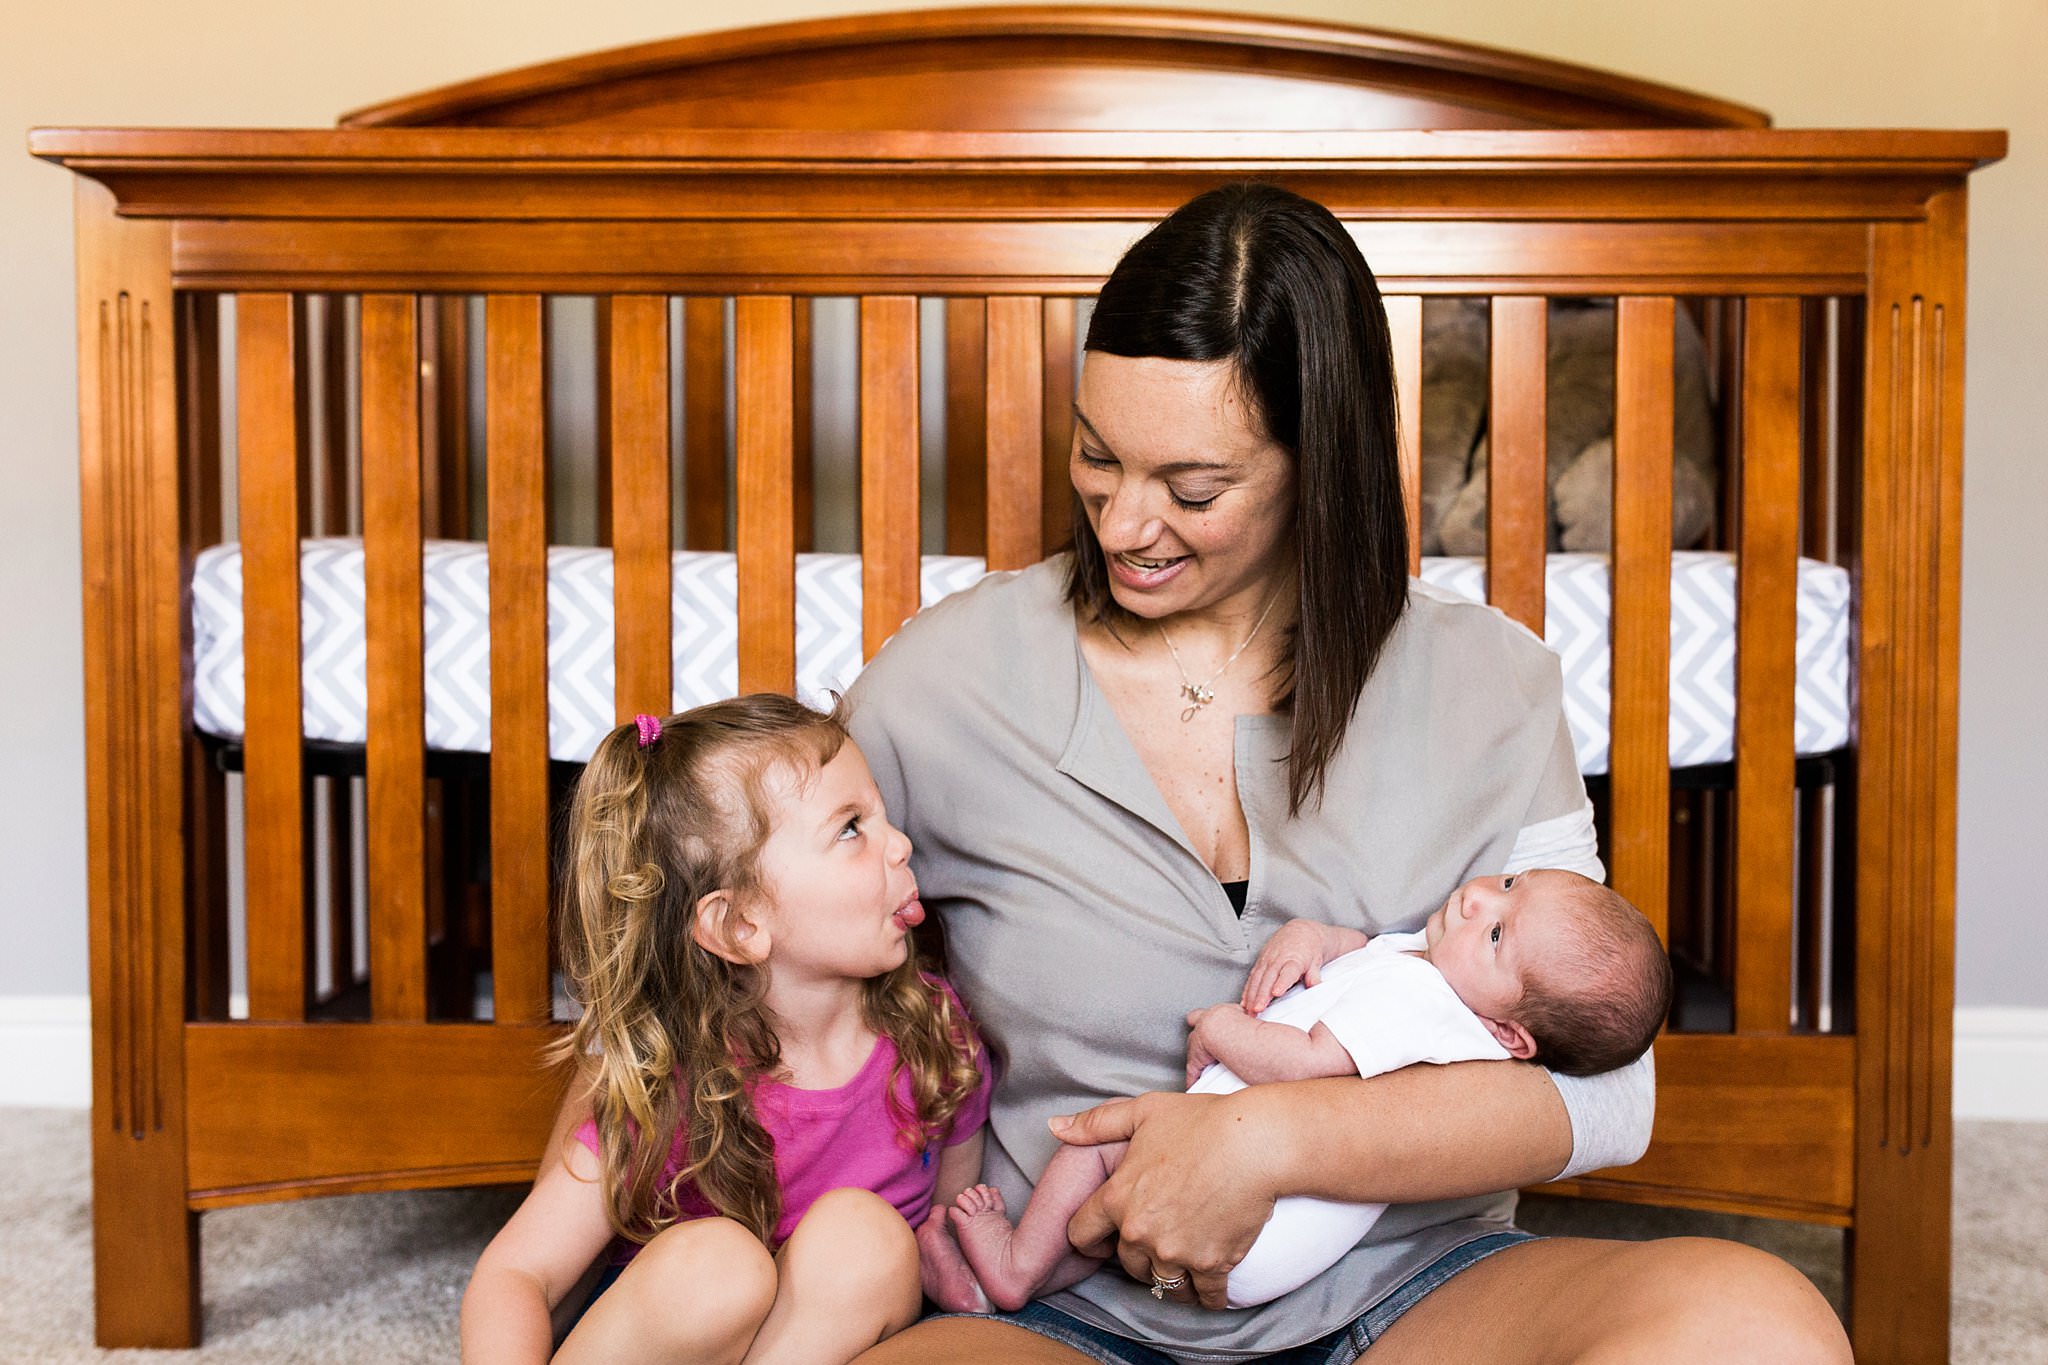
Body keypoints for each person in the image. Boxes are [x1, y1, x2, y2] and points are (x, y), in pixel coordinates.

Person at [843, 183, 1850, 1362]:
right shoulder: (945, 683)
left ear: (1319, 459)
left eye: (1193, 488)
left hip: (1416, 1290)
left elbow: (1608, 1096)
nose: (1122, 525)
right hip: (1068, 1312)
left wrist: (1272, 1144)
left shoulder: (1486, 682)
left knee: (1753, 1328)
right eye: (1096, 458)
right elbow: (775, 968)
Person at [459, 697, 991, 1365]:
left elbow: (947, 1236)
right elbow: (516, 1274)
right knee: (718, 1266)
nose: (901, 843)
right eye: (851, 828)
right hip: (667, 1337)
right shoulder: (672, 1078)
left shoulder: (935, 1033)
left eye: (880, 811)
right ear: (740, 925)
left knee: (871, 1240)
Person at [931, 870, 1672, 1313]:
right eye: (1512, 883)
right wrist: (1316, 938)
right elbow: (1370, 955)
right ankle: (1052, 1271)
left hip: (1254, 1225)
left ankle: (1016, 1262)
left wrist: (1221, 1027)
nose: (1480, 899)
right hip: (1259, 1241)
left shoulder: (1427, 1003)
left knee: (1100, 1147)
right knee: (1126, 1200)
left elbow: (1307, 1062)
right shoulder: (1438, 974)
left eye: (1500, 934)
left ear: (1511, 1035)